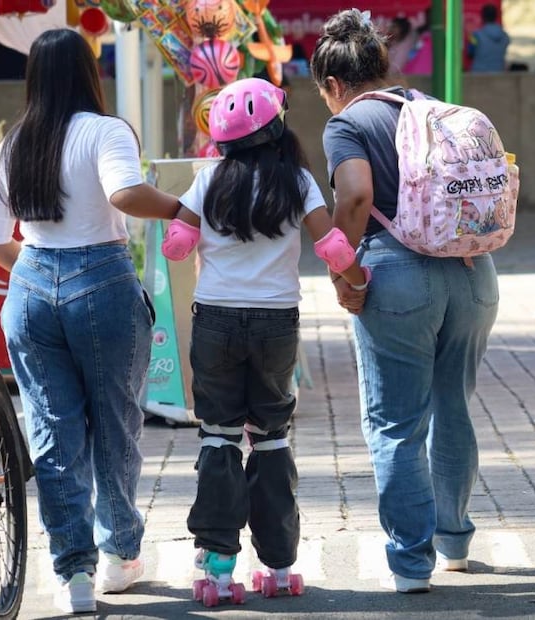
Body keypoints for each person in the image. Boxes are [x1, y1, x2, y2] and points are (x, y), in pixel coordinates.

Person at [0, 29, 180, 615]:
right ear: (90, 74)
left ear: (34, 78)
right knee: (115, 423)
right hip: (104, 283)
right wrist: (182, 207)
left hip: (31, 285)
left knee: (53, 430)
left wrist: (39, 272)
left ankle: (76, 577)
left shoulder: (11, 144)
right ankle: (119, 555)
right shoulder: (105, 130)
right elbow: (125, 195)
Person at [309, 9, 499, 594]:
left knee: (394, 424)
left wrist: (348, 272)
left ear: (334, 85)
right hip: (473, 274)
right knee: (454, 406)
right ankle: (456, 542)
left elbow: (357, 195)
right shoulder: (432, 109)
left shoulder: (347, 123)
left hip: (397, 277)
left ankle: (410, 564)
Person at [160, 77, 368, 599]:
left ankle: (218, 567)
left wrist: (191, 232)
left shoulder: (208, 180)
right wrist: (358, 281)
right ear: (278, 130)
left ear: (221, 139)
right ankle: (278, 567)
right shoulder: (297, 181)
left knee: (219, 437)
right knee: (272, 438)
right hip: (277, 323)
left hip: (216, 323)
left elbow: (178, 245)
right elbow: (333, 246)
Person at [468, 3, 511, 72]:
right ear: (496, 16)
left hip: (478, 74)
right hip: (498, 72)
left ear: (482, 17)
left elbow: (470, 53)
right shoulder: (505, 36)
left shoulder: (475, 36)